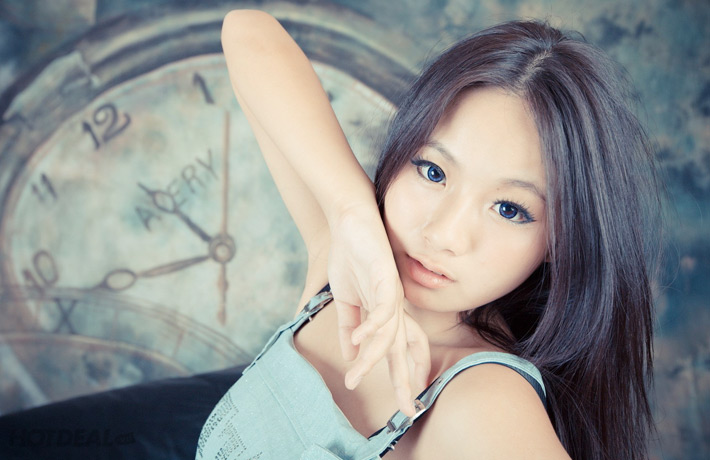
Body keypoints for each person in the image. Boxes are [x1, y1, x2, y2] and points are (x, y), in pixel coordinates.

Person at [198, 9, 662, 460]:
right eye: (433, 171)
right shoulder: (343, 268)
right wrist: (349, 215)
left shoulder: (486, 402)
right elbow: (246, 32)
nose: (443, 234)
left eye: (509, 209)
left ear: (560, 242)